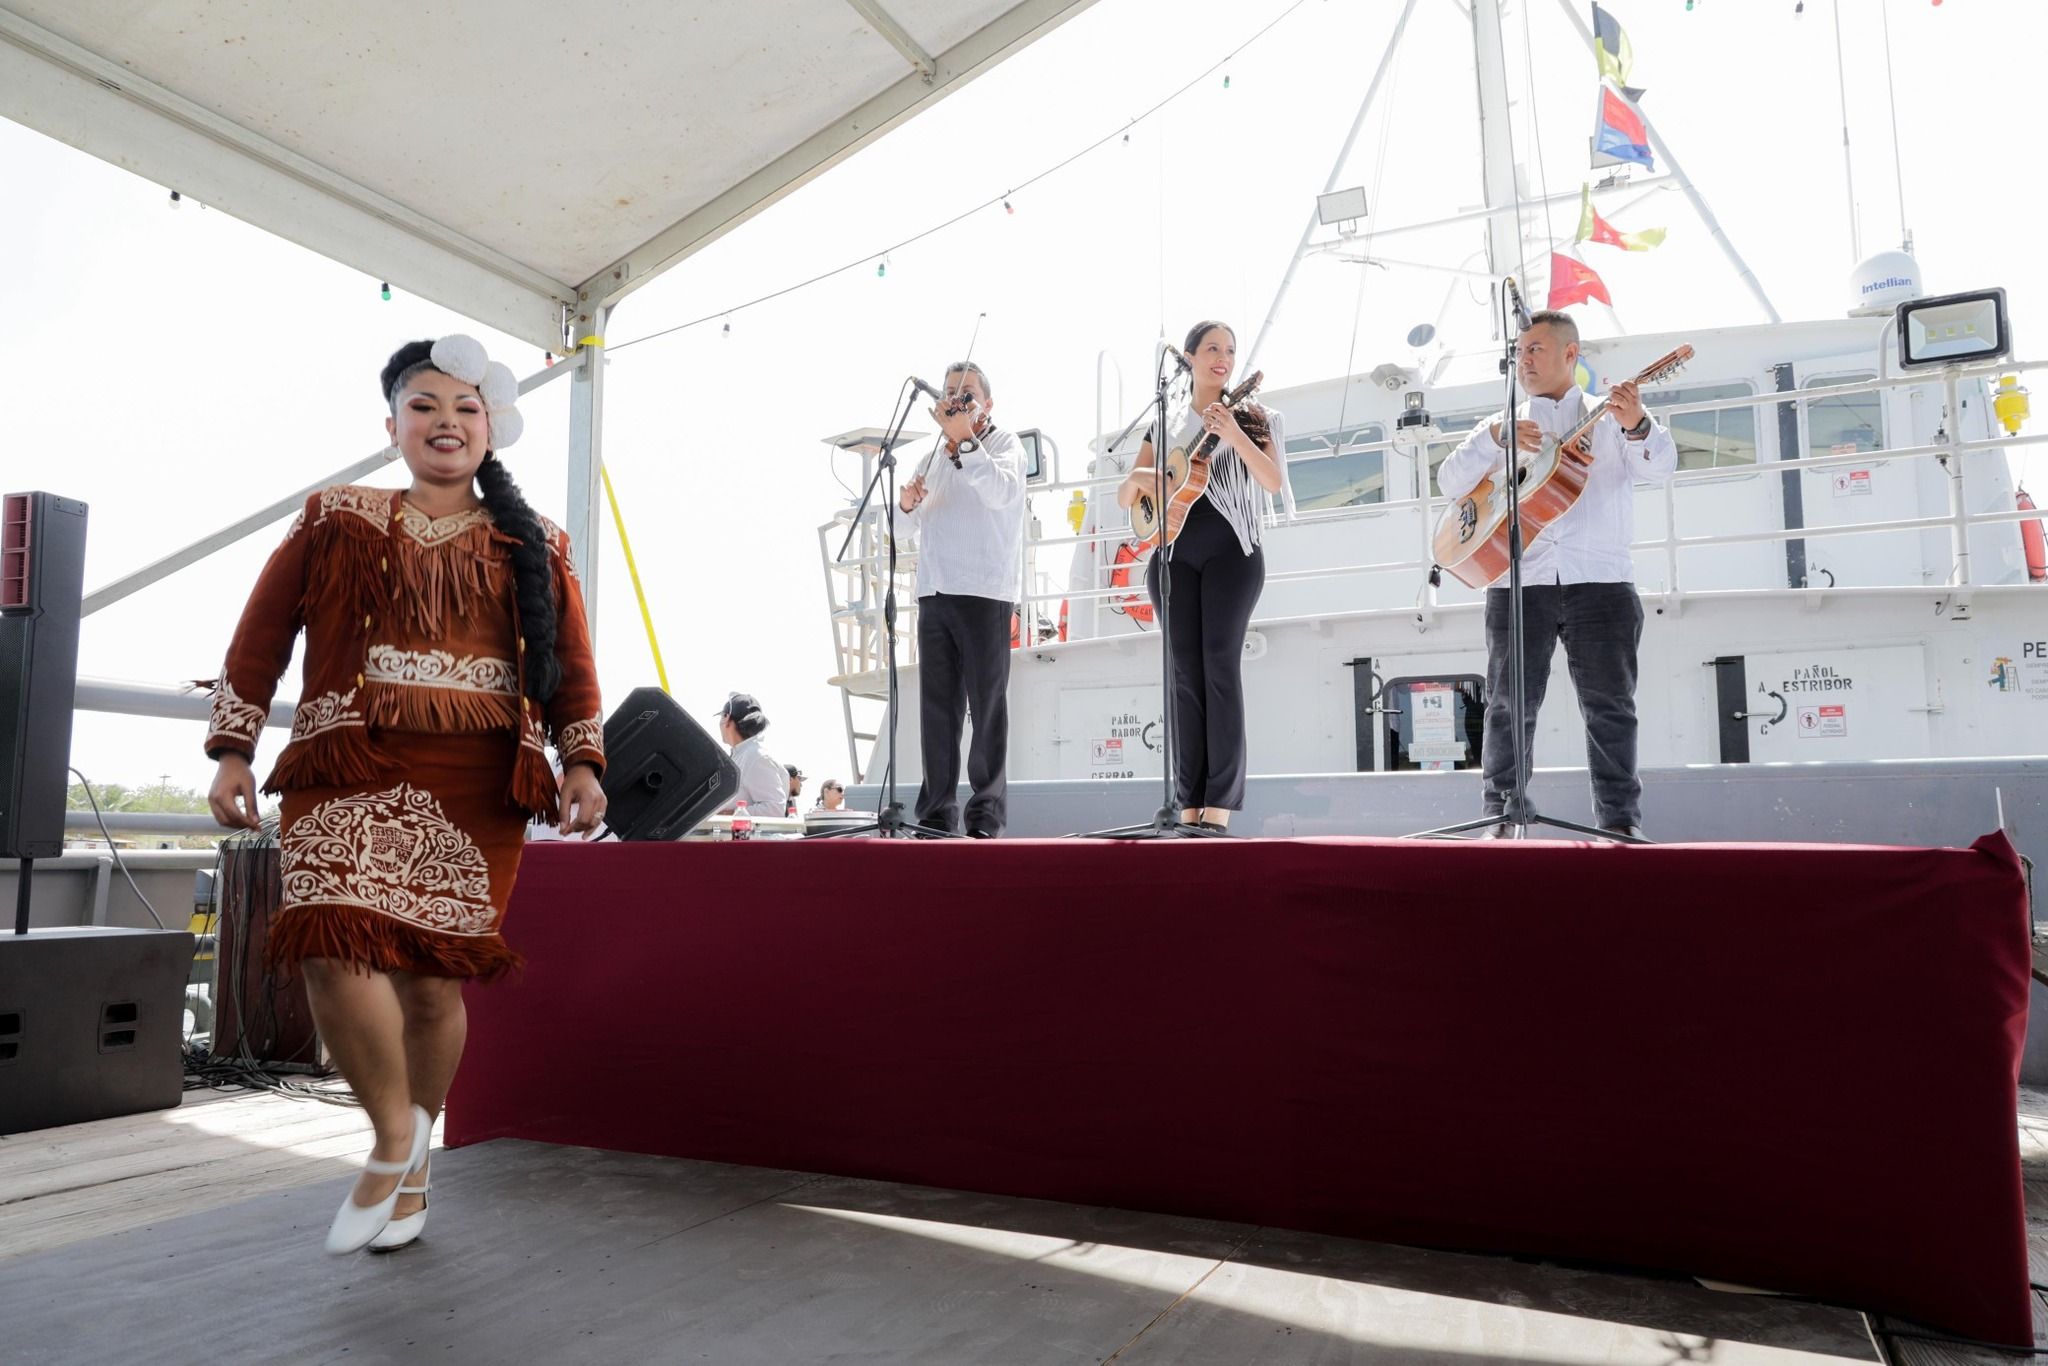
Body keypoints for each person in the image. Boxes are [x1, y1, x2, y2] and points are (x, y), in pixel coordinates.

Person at [205, 335, 606, 1255]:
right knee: (327, 945)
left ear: (491, 429)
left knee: (431, 985)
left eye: (466, 408)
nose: (445, 422)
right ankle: (394, 1139)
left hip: (480, 784)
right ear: (391, 427)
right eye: (424, 406)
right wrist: (233, 748)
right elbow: (259, 637)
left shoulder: (540, 541)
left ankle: (414, 1176)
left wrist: (582, 763)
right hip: (344, 761)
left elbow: (573, 667)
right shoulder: (334, 516)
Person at [1436, 309, 1677, 839]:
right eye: (1519, 352)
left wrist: (1638, 423)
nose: (1523, 361)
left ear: (1571, 354)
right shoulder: (1500, 425)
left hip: (1601, 581)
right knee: (1507, 706)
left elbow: (1660, 466)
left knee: (1611, 708)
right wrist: (1493, 439)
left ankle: (1619, 823)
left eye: (1535, 350)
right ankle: (1502, 817)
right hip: (1519, 584)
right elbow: (1449, 483)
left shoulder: (1610, 416)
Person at [1115, 321, 1286, 833]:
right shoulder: (1165, 424)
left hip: (1233, 551)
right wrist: (1147, 476)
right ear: (1188, 357)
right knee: (1184, 675)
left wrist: (1233, 434)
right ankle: (1187, 802)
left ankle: (1220, 805)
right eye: (1212, 348)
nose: (1222, 358)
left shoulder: (1253, 415)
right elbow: (1128, 497)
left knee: (1219, 667)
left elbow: (1272, 481)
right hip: (1172, 554)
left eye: (1229, 350)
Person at [896, 360, 1026, 837]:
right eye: (950, 391)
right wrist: (906, 503)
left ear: (987, 403)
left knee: (987, 707)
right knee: (937, 710)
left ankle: (985, 816)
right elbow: (900, 529)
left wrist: (966, 441)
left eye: (967, 392)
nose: (956, 398)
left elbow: (1001, 492)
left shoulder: (1005, 445)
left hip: (984, 591)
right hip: (934, 591)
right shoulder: (931, 456)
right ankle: (935, 814)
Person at [715, 693, 787, 816]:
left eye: (721, 716)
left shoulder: (756, 756)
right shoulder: (744, 754)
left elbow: (775, 809)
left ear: (726, 718)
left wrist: (727, 815)